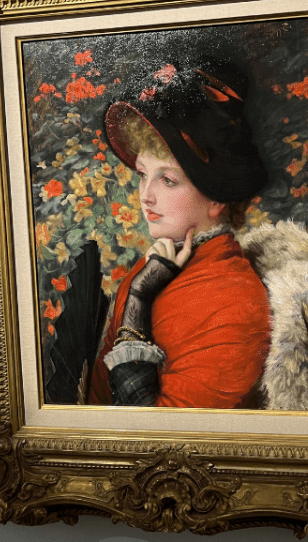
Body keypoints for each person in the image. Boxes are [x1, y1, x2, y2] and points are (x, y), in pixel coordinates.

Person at [85, 59, 273, 408]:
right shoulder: (149, 273)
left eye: (167, 180)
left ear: (216, 197)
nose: (146, 196)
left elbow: (155, 435)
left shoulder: (233, 303)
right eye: (143, 174)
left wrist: (139, 302)